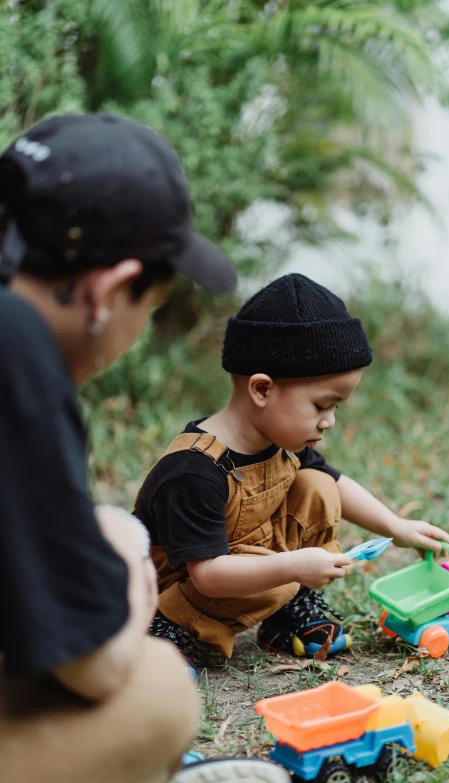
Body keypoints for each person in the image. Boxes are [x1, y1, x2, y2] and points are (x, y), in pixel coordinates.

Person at [0, 114, 290, 783]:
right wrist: (128, 559)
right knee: (158, 685)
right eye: (151, 306)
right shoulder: (17, 353)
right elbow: (96, 663)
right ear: (108, 291)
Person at [135, 273, 449, 669]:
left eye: (336, 408)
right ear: (262, 390)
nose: (329, 422)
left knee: (318, 486)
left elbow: (337, 486)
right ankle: (168, 628)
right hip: (181, 583)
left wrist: (397, 527)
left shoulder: (280, 442)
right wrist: (292, 567)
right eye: (322, 406)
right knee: (274, 574)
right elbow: (209, 576)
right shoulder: (194, 472)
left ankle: (287, 612)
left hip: (248, 560)